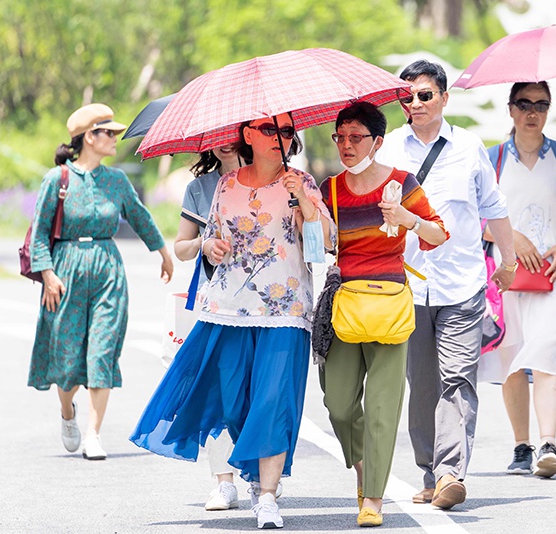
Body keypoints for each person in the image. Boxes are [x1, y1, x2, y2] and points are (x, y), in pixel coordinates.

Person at [130, 112, 333, 530]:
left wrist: (306, 206)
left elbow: (323, 245)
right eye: (269, 130)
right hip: (228, 309)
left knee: (274, 401)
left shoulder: (303, 183)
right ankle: (255, 476)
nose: (281, 138)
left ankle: (269, 495)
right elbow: (214, 237)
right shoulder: (225, 185)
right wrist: (211, 247)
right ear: (248, 136)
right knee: (236, 403)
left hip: (286, 310)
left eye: (287, 131)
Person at [376, 59, 517, 509]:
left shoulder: (468, 147)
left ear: (443, 99)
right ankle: (428, 469)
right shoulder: (387, 152)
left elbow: (494, 208)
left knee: (458, 378)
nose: (414, 103)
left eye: (424, 95)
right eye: (407, 96)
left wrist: (510, 261)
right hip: (407, 287)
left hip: (462, 284)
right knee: (423, 386)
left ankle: (451, 471)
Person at [319, 102, 448, 527]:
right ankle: (363, 463)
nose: (346, 145)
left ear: (377, 141)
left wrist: (407, 218)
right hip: (346, 305)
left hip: (390, 304)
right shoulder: (330, 189)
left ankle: (372, 496)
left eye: (356, 137)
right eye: (340, 136)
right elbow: (322, 243)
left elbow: (438, 233)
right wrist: (307, 202)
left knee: (382, 407)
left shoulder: (400, 183)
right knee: (338, 404)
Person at [29, 103, 174, 461]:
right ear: (89, 137)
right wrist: (47, 274)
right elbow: (39, 233)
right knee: (67, 361)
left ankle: (93, 434)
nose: (115, 138)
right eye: (108, 132)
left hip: (108, 271)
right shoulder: (57, 180)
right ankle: (67, 412)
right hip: (65, 272)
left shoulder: (117, 181)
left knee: (102, 351)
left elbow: (139, 216)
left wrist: (163, 252)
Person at [481, 82, 556, 478]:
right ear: (510, 109)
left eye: (541, 104)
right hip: (506, 275)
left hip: (552, 275)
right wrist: (515, 238)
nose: (532, 112)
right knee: (511, 357)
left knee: (546, 352)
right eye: (524, 104)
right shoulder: (491, 159)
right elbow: (477, 220)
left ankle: (548, 443)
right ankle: (521, 445)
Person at [173, 144, 253, 511]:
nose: (222, 140)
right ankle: (224, 482)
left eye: (230, 133)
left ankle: (258, 474)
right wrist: (203, 245)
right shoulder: (199, 188)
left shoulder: (272, 179)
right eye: (214, 135)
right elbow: (181, 248)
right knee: (218, 388)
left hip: (263, 302)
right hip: (213, 301)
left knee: (255, 388)